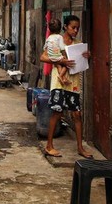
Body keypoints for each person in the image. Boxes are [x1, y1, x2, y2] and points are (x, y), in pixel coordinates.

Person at [39, 14, 92, 159]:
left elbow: (80, 62)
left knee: (77, 114)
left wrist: (86, 56)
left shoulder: (78, 44)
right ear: (65, 27)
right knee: (57, 112)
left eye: (77, 28)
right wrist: (62, 62)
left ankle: (80, 148)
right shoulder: (57, 40)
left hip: (73, 82)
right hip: (58, 82)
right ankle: (49, 146)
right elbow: (43, 57)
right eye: (73, 27)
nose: (76, 30)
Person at [44, 18, 70, 87]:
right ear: (60, 29)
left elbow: (45, 47)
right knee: (66, 64)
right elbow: (62, 48)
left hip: (50, 57)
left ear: (49, 29)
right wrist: (65, 56)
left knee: (58, 66)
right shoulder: (59, 37)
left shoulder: (49, 38)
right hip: (57, 57)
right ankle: (61, 75)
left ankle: (62, 78)